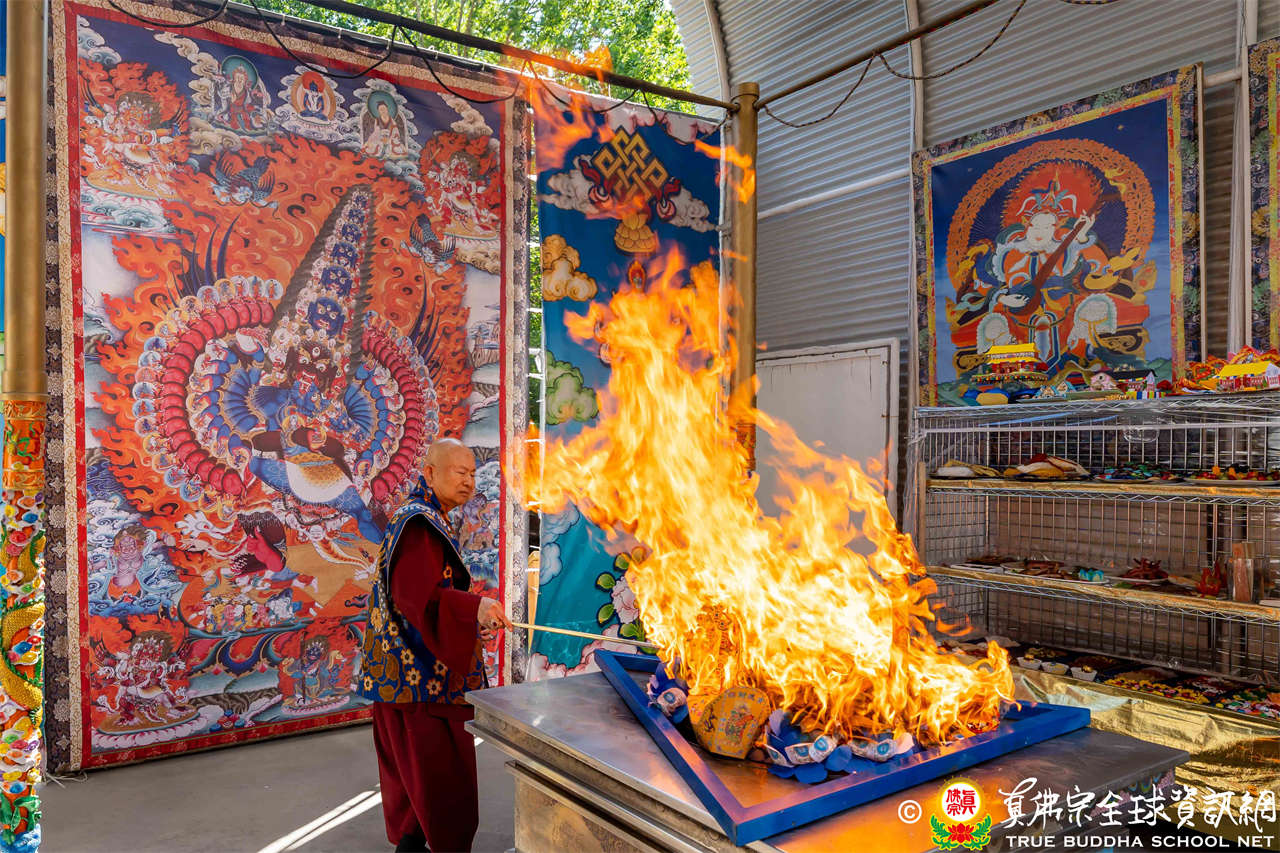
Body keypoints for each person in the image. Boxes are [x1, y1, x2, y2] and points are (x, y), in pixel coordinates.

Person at [357, 438, 512, 852]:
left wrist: (470, 621)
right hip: (418, 685)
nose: (469, 481)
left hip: (412, 680)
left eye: (473, 473)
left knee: (420, 792)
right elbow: (415, 600)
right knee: (441, 788)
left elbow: (429, 597)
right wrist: (474, 608)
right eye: (460, 472)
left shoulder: (427, 518)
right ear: (429, 472)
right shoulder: (418, 524)